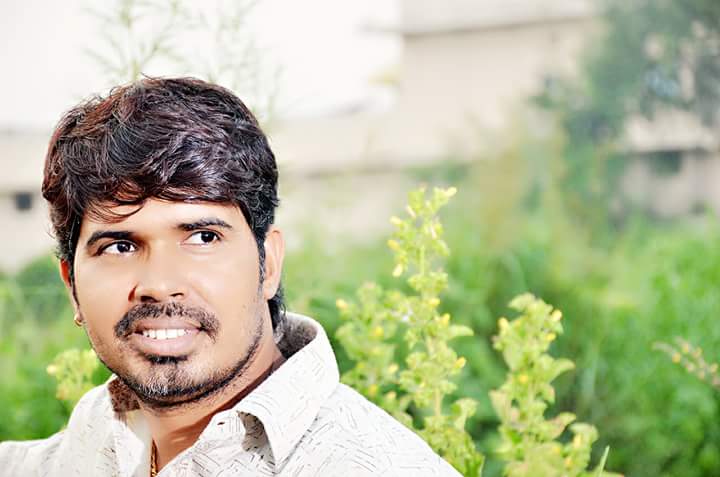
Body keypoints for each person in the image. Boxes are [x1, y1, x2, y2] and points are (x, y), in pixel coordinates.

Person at [0, 77, 460, 476]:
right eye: (120, 246)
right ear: (72, 286)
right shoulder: (82, 450)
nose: (159, 284)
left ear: (268, 264)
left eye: (202, 237)